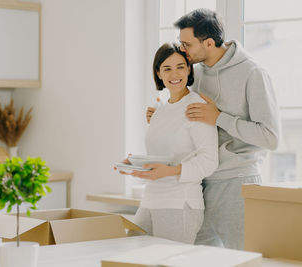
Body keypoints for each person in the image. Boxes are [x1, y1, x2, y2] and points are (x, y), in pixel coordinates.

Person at [146, 9, 280, 250]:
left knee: (239, 257)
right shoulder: (195, 72)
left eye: (186, 44)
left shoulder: (253, 73)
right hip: (198, 183)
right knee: (195, 258)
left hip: (235, 181)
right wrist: (164, 116)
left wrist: (219, 118)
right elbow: (190, 117)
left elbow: (270, 138)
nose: (182, 50)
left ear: (208, 43)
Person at [119, 42, 218, 244]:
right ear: (158, 73)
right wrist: (136, 164)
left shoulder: (196, 106)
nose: (175, 74)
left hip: (180, 202)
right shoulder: (160, 108)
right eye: (167, 68)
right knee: (129, 255)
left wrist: (169, 171)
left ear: (189, 69)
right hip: (151, 199)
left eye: (180, 67)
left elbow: (209, 161)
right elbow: (162, 155)